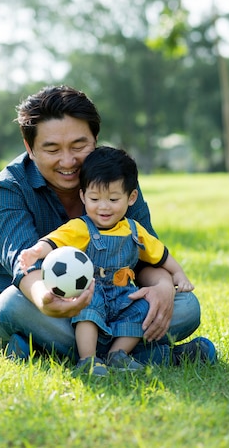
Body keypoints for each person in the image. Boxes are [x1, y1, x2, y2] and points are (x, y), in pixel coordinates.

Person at [0, 85, 216, 367]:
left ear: (95, 139)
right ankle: (151, 356)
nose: (68, 161)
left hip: (115, 304)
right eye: (52, 149)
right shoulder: (6, 189)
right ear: (30, 148)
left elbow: (144, 251)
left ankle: (57, 350)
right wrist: (47, 301)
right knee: (11, 306)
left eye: (79, 146)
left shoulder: (117, 181)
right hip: (35, 301)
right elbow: (23, 264)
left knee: (187, 307)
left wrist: (163, 286)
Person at [19, 146, 198, 376]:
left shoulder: (135, 231)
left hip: (124, 294)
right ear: (83, 196)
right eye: (94, 198)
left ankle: (118, 355)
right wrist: (36, 251)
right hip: (92, 290)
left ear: (131, 197)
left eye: (113, 199)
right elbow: (55, 241)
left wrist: (178, 275)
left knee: (143, 308)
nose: (103, 206)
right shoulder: (81, 227)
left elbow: (161, 255)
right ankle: (88, 360)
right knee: (88, 309)